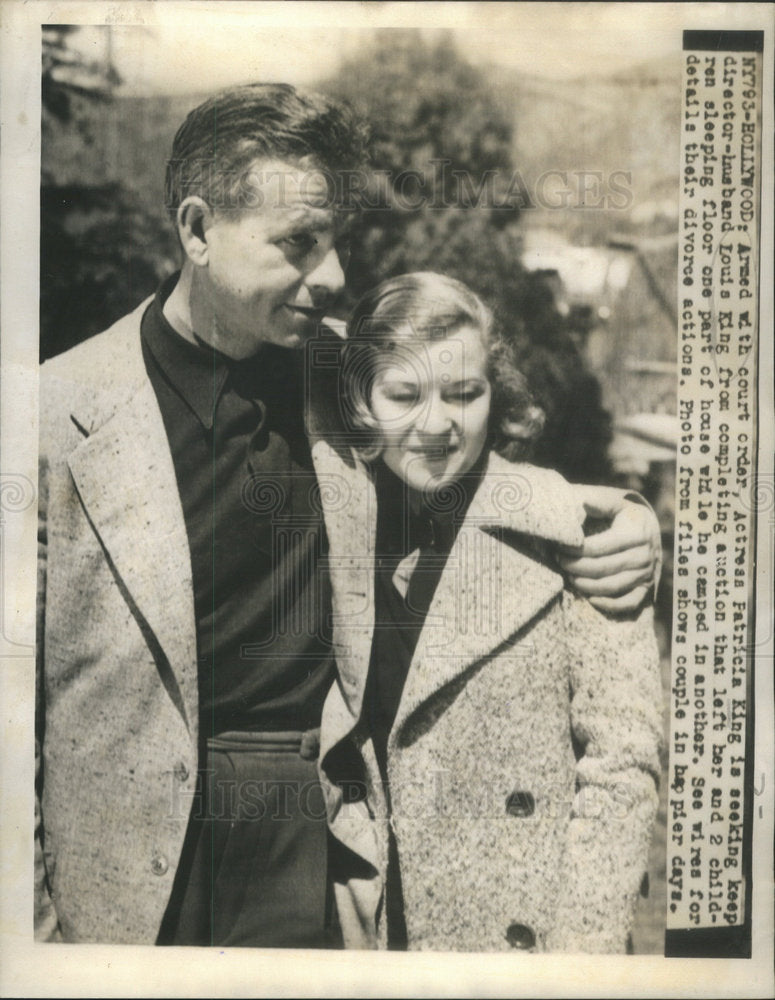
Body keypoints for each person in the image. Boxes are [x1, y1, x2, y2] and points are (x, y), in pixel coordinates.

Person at [36, 84, 660, 947]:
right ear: (196, 230)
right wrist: (28, 939)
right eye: (297, 243)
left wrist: (620, 520)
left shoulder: (341, 371)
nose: (330, 276)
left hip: (312, 839)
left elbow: (466, 464)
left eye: (334, 242)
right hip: (119, 874)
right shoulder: (47, 414)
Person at [319, 272, 663, 952]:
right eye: (404, 394)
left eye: (463, 394)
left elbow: (622, 769)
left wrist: (577, 964)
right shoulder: (332, 526)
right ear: (362, 403)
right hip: (373, 938)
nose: (436, 424)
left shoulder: (576, 531)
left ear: (494, 393)